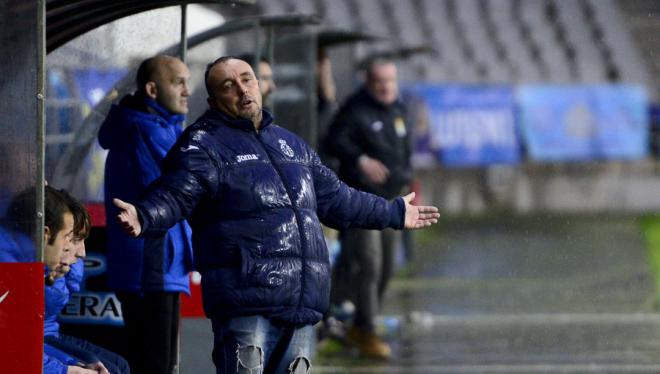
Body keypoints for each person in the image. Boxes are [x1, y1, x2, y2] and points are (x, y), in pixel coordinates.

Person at [111, 55, 439, 373]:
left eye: (246, 80)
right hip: (247, 302)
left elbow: (339, 199)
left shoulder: (291, 146)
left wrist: (393, 212)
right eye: (228, 86)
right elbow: (176, 191)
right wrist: (146, 214)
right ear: (213, 101)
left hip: (300, 304)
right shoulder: (202, 145)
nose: (242, 90)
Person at [98, 55, 194, 374]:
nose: (186, 91)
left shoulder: (159, 128)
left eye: (187, 83)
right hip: (151, 267)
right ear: (152, 90)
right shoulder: (145, 131)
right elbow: (188, 187)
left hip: (162, 266)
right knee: (154, 365)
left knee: (157, 362)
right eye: (178, 82)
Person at [324, 57, 412, 359]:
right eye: (381, 82)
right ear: (368, 83)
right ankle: (367, 328)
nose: (387, 87)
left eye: (391, 81)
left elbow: (404, 153)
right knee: (370, 263)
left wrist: (407, 185)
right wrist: (360, 159)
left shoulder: (398, 110)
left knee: (387, 266)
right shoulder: (355, 110)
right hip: (364, 204)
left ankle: (361, 322)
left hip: (394, 203)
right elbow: (332, 140)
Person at [43, 189, 130, 374]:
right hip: (40, 339)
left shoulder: (58, 264)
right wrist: (69, 368)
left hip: (47, 334)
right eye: (73, 239)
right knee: (101, 367)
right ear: (44, 234)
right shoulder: (22, 262)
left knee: (119, 365)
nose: (82, 252)